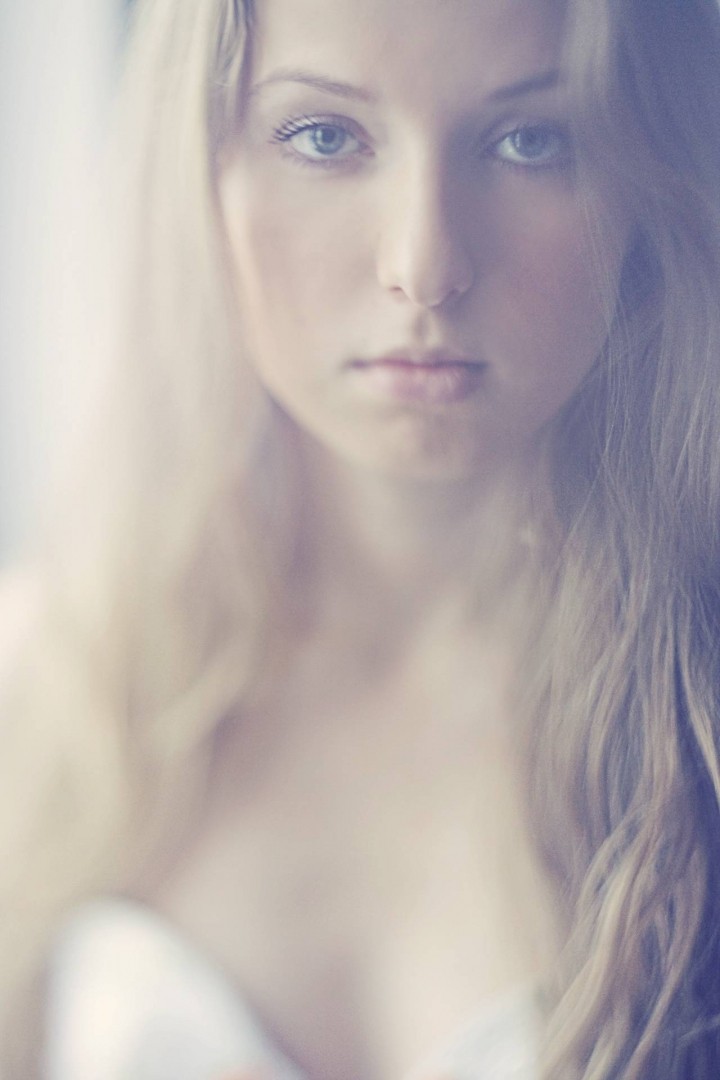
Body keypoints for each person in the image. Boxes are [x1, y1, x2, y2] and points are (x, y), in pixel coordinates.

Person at [2, 0, 720, 1076]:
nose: (423, 265)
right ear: (196, 166)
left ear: (644, 182)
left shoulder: (694, 717)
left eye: (530, 140)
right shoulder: (48, 684)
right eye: (324, 136)